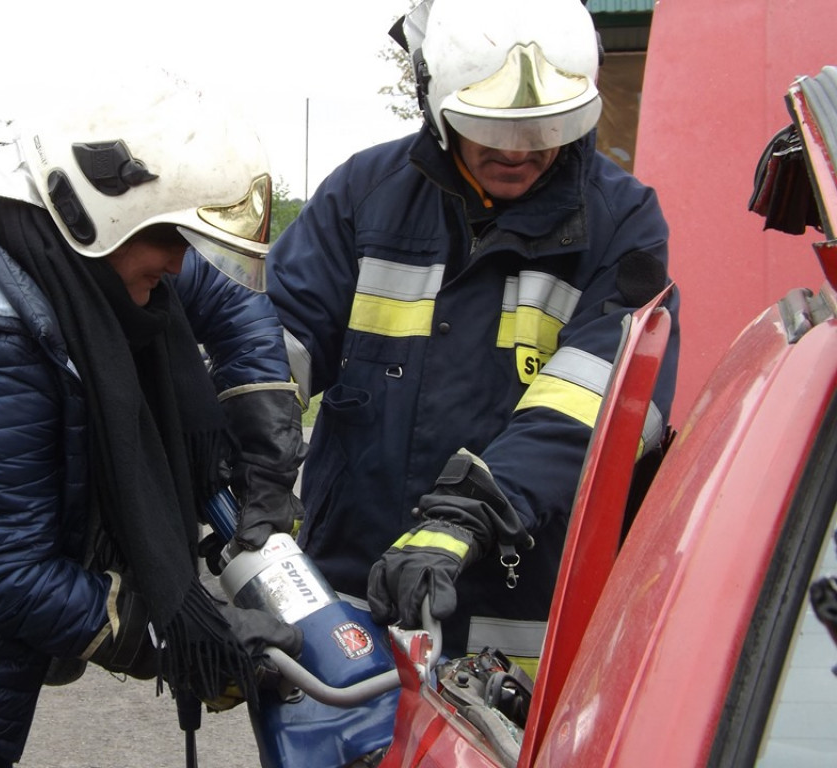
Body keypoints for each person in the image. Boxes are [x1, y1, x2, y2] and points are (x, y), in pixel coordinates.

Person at [0, 81, 305, 768]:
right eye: (169, 236)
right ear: (95, 215)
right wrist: (188, 635)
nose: (179, 261)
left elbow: (229, 302)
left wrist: (265, 444)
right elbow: (3, 573)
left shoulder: (64, 262)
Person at [266, 0, 680, 676]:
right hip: (353, 599)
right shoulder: (363, 197)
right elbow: (278, 339)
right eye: (491, 127)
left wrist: (470, 515)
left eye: (544, 127)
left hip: (517, 619)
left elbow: (600, 407)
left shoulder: (622, 224)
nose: (517, 151)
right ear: (435, 105)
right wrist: (242, 439)